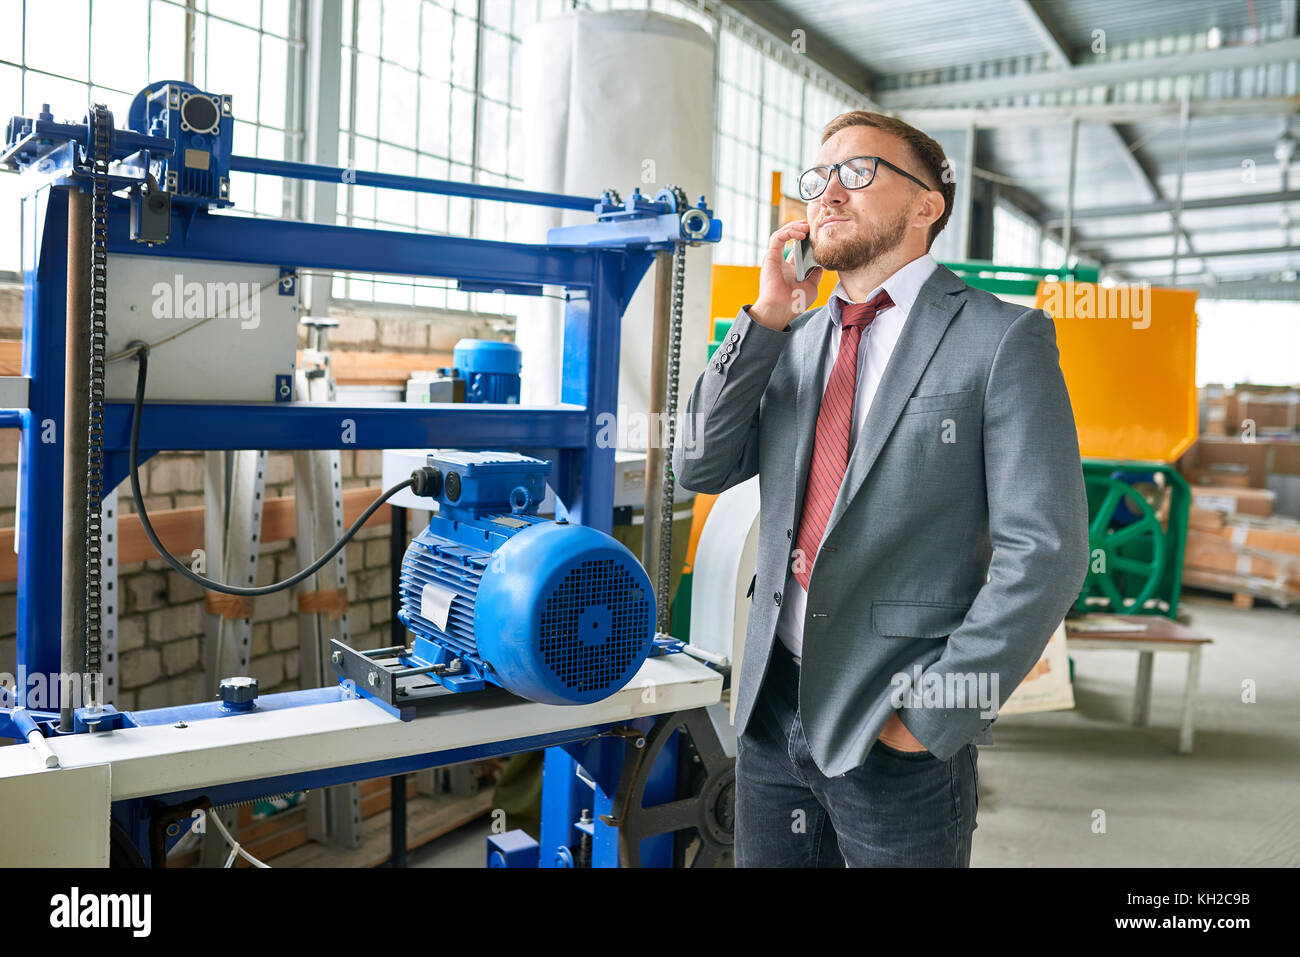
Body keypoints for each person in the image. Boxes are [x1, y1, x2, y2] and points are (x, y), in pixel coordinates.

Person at [672, 110, 1089, 867]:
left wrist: (929, 715)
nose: (827, 192)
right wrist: (767, 314)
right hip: (770, 717)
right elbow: (696, 465)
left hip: (894, 736)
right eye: (819, 177)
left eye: (858, 172)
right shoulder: (792, 343)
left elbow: (1048, 551)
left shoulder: (1001, 340)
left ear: (926, 204)